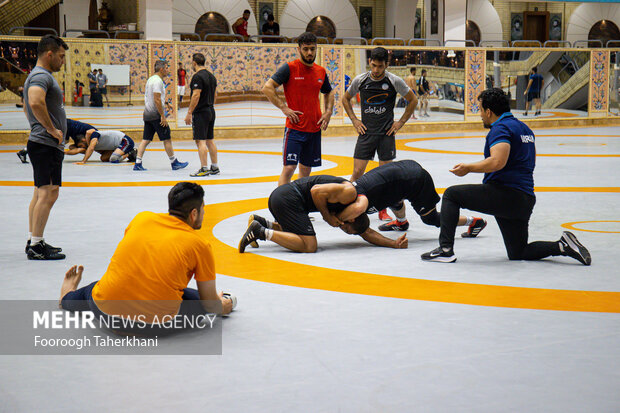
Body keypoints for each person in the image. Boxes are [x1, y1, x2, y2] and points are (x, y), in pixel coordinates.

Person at [421, 88, 591, 264]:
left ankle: (446, 249)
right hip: (524, 199)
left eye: (480, 110)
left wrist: (468, 168)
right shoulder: (524, 128)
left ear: (489, 111)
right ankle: (562, 246)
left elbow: (497, 162)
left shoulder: (500, 128)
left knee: (451, 195)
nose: (480, 115)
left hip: (506, 195)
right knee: (518, 251)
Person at [59, 182, 235, 336]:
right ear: (194, 213)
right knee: (203, 303)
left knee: (97, 287)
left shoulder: (141, 218)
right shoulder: (200, 245)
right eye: (204, 208)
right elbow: (209, 304)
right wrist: (222, 306)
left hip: (104, 311)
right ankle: (222, 299)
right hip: (154, 325)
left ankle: (66, 298)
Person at [341, 47, 417, 222]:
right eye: (374, 65)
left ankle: (383, 210)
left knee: (385, 176)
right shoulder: (361, 80)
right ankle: (348, 205)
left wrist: (400, 123)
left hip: (386, 135)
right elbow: (345, 99)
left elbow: (413, 100)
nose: (376, 70)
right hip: (366, 133)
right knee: (357, 172)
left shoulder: (393, 80)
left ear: (386, 65)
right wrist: (354, 120)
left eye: (380, 66)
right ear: (369, 62)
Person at [238, 175, 408, 253]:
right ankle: (260, 231)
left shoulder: (350, 214)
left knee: (297, 234)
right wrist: (326, 217)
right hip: (287, 198)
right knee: (309, 245)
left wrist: (393, 244)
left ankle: (264, 223)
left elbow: (366, 232)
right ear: (352, 219)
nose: (343, 229)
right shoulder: (349, 193)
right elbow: (316, 191)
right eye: (347, 230)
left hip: (286, 199)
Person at [335, 160, 486, 235]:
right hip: (401, 176)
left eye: (346, 228)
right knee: (393, 200)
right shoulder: (350, 196)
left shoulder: (361, 204)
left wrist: (335, 220)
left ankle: (474, 222)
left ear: (353, 217)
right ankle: (402, 223)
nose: (343, 228)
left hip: (416, 180)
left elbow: (359, 208)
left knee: (431, 218)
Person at [262, 32, 335, 186]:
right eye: (306, 49)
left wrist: (328, 112)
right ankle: (280, 205)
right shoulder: (289, 68)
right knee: (289, 168)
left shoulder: (320, 71)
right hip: (295, 128)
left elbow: (328, 92)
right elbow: (267, 88)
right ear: (299, 49)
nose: (309, 52)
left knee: (306, 170)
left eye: (312, 49)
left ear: (316, 49)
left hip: (314, 129)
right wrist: (284, 108)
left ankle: (299, 203)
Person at [23, 34, 68, 260]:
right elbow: (33, 101)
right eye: (61, 57)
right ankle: (36, 245)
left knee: (41, 192)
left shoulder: (36, 75)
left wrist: (37, 126)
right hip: (46, 144)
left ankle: (34, 239)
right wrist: (50, 129)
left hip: (42, 143)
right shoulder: (41, 76)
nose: (62, 61)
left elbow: (26, 107)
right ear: (49, 54)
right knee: (49, 193)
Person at [134, 60, 188, 171]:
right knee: (167, 138)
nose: (168, 70)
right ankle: (174, 162)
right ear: (162, 69)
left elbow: (154, 97)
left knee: (146, 139)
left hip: (147, 114)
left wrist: (167, 103)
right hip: (156, 116)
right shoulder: (158, 81)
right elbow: (157, 99)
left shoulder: (151, 79)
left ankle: (137, 163)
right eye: (167, 68)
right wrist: (163, 116)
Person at [184, 53, 219, 177]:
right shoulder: (212, 77)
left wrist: (189, 113)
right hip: (210, 110)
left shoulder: (197, 77)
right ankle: (214, 167)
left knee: (200, 141)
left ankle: (204, 168)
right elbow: (215, 95)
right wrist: (209, 105)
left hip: (201, 112)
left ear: (194, 63)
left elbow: (196, 95)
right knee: (210, 140)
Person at [17, 118, 98, 164]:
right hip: (66, 125)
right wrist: (84, 161)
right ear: (84, 140)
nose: (81, 147)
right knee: (53, 141)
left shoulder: (87, 137)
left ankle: (25, 151)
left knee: (53, 141)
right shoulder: (94, 135)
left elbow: (78, 149)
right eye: (81, 145)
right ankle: (26, 151)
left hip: (66, 125)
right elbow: (88, 147)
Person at [66, 129, 136, 163]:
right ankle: (127, 154)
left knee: (113, 159)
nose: (82, 148)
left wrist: (83, 161)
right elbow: (78, 150)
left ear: (84, 140)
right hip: (117, 146)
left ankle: (129, 153)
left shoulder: (94, 136)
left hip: (125, 141)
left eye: (81, 145)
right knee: (104, 158)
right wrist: (64, 152)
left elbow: (89, 132)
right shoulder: (92, 144)